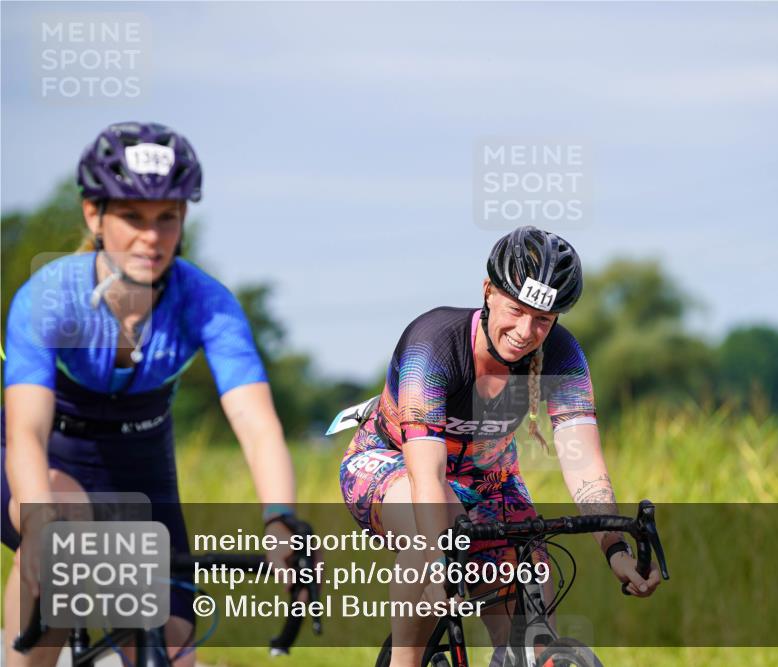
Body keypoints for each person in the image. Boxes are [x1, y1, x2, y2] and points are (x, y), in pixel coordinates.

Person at [2, 121, 304, 667]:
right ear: (93, 215)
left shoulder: (206, 302)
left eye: (167, 217)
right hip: (44, 457)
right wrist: (38, 517)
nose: (152, 236)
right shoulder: (49, 297)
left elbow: (257, 425)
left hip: (138, 462)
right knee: (59, 534)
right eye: (132, 217)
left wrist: (280, 518)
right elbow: (26, 430)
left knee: (169, 643)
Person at [339, 226, 661, 667]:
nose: (526, 331)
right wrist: (437, 564)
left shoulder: (564, 357)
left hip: (489, 477)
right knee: (434, 531)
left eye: (543, 320)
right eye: (517, 310)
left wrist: (615, 549)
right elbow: (426, 477)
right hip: (394, 463)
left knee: (532, 604)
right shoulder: (434, 345)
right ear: (488, 291)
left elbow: (584, 463)